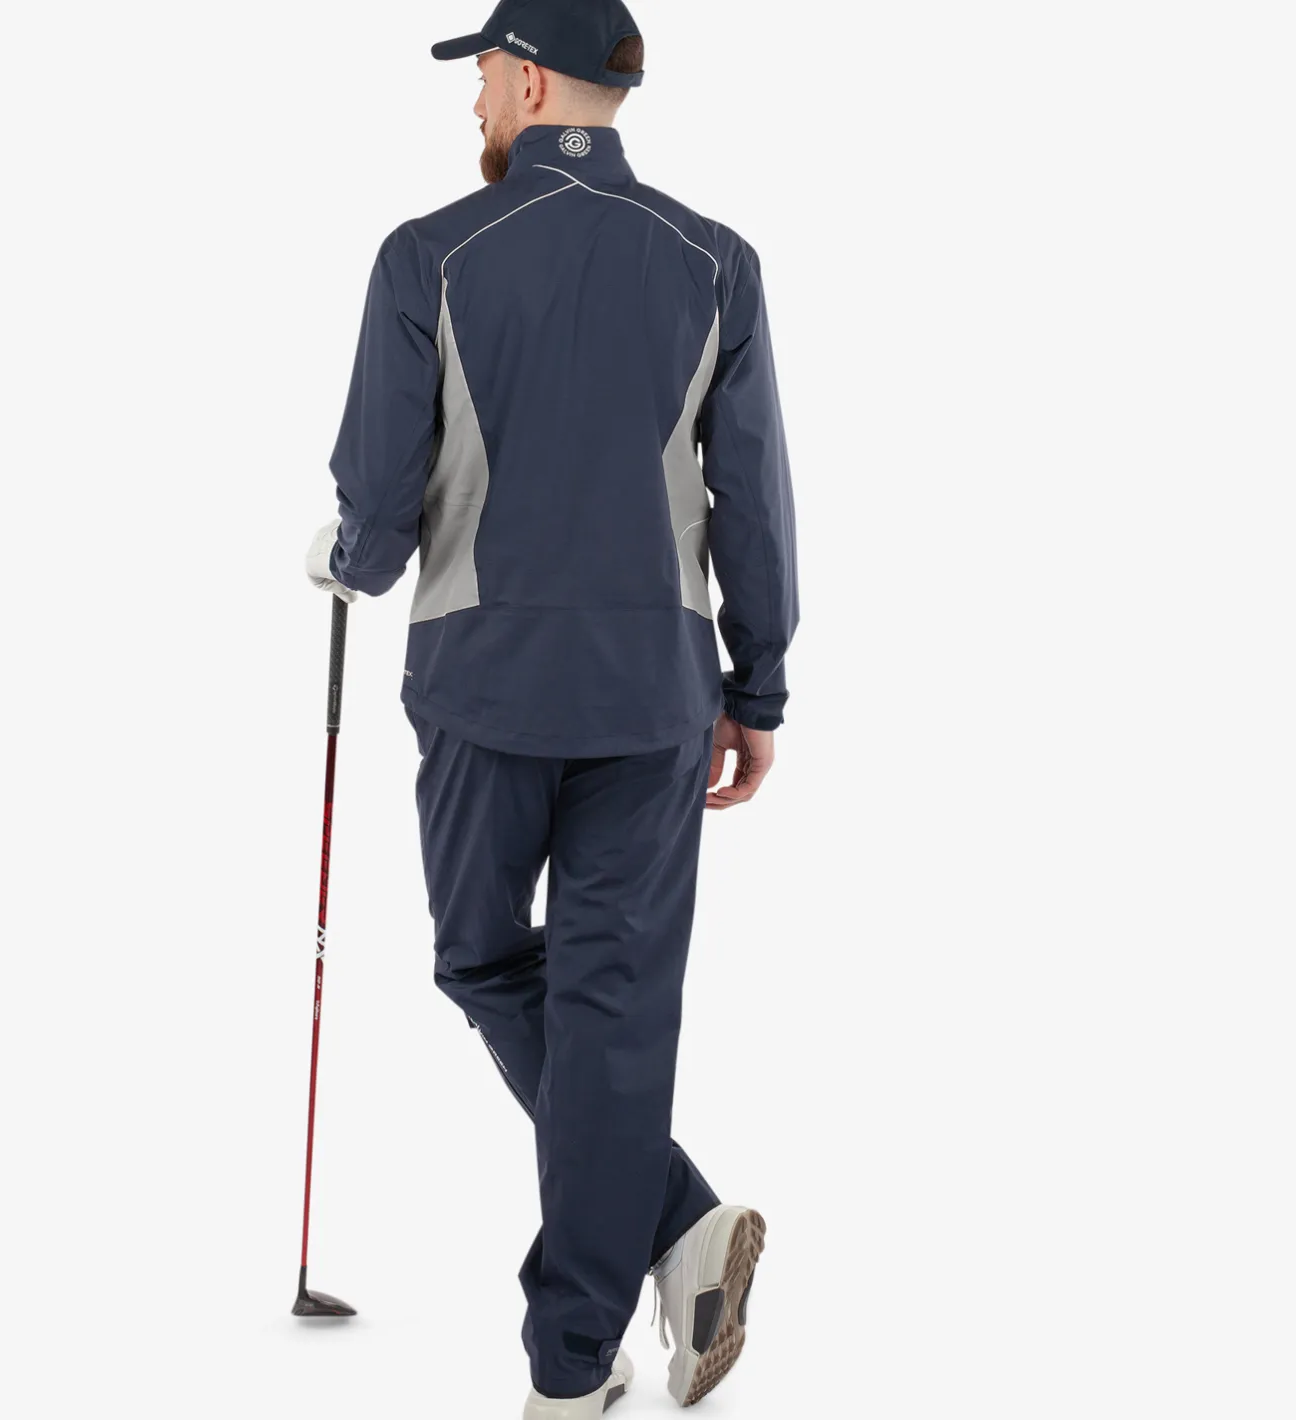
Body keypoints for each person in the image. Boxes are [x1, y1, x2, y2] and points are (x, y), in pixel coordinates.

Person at [306, 2, 799, 1413]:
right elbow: (753, 496)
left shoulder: (427, 254)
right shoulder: (716, 260)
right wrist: (758, 684)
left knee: (483, 961)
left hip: (483, 686)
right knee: (611, 1011)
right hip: (656, 695)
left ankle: (600, 1328)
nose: (473, 104)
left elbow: (379, 499)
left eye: (482, 79)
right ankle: (628, 1295)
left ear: (527, 82)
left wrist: (344, 561)